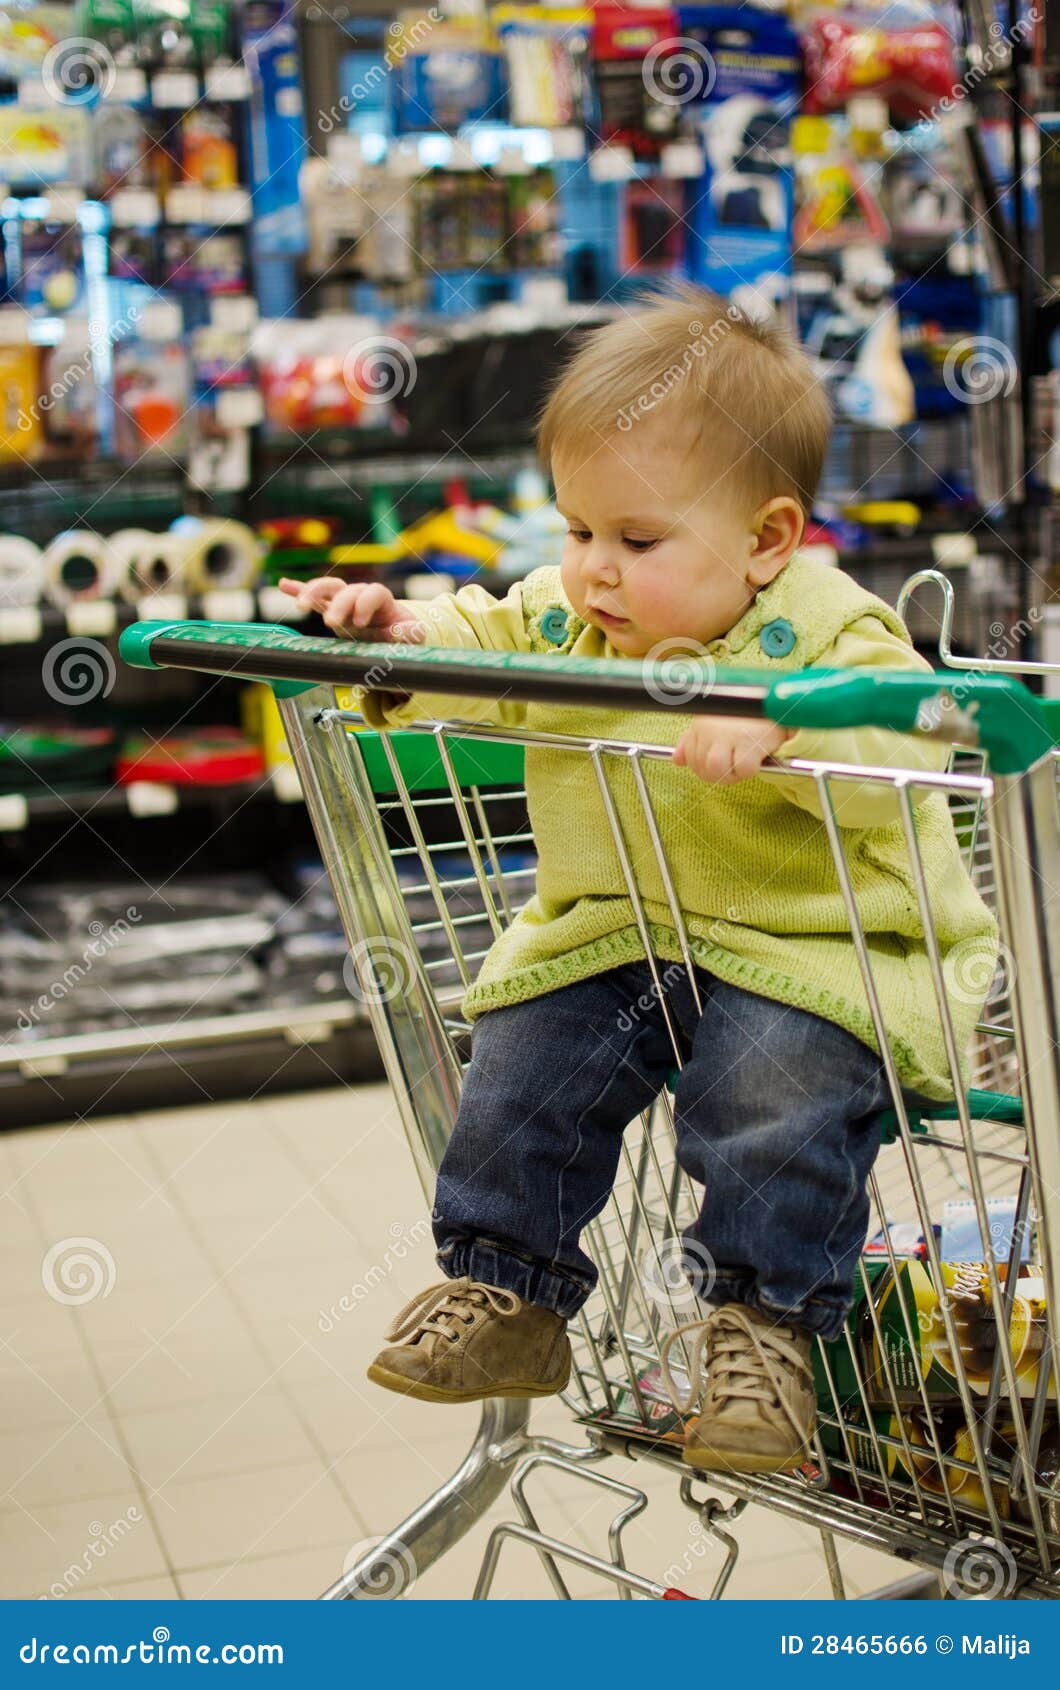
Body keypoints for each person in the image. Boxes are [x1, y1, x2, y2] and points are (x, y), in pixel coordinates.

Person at [279, 286, 995, 1476]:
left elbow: (907, 755)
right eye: (575, 531)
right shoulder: (572, 620)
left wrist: (787, 729)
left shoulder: (830, 631)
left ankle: (761, 1332)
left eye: (636, 540)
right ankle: (508, 1288)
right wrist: (393, 631)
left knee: (768, 1095)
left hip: (808, 946)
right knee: (518, 1059)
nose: (592, 571)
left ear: (768, 538)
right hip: (616, 930)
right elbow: (485, 641)